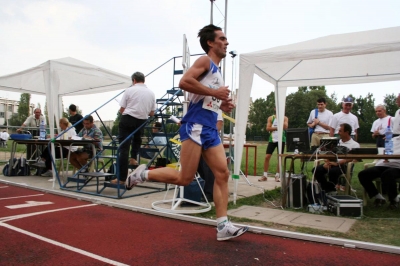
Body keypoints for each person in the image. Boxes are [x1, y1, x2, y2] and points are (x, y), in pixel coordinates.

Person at [125, 24, 248, 241]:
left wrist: (221, 104)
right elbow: (184, 82)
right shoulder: (204, 61)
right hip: (196, 126)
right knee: (185, 177)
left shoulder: (217, 72)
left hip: (209, 128)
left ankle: (222, 225)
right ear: (211, 43)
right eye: (222, 38)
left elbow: (205, 100)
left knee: (222, 174)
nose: (226, 42)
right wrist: (215, 92)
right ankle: (141, 174)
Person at [114, 71, 156, 185]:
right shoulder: (151, 93)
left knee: (123, 148)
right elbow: (152, 113)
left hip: (128, 118)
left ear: (134, 80)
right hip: (141, 120)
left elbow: (122, 109)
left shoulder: (130, 90)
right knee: (137, 139)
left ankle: (121, 178)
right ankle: (133, 158)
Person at [312, 123, 360, 192]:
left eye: (340, 131)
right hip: (332, 163)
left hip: (344, 166)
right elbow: (330, 154)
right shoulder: (336, 143)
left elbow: (352, 158)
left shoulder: (355, 144)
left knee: (333, 171)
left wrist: (337, 164)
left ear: (347, 132)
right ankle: (326, 188)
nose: (338, 133)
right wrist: (328, 162)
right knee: (316, 170)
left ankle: (330, 190)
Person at [358, 137, 400, 209]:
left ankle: (394, 199)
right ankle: (378, 197)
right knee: (363, 174)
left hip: (398, 166)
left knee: (387, 174)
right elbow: (386, 151)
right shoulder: (393, 139)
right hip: (383, 164)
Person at [259, 108, 288, 182]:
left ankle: (277, 175)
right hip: (272, 139)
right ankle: (265, 175)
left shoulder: (285, 118)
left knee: (279, 157)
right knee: (267, 156)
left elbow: (285, 127)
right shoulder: (271, 118)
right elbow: (268, 128)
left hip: (281, 140)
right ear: (275, 109)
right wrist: (278, 128)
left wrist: (274, 127)